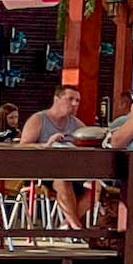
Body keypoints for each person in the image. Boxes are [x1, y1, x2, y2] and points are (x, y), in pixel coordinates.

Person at [21, 86, 89, 227]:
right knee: (62, 181)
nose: (75, 104)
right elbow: (22, 146)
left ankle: (68, 225)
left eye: (77, 100)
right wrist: (47, 145)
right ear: (56, 99)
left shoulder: (77, 124)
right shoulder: (39, 119)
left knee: (97, 186)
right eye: (70, 99)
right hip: (43, 172)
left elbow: (88, 145)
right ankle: (77, 228)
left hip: (72, 171)